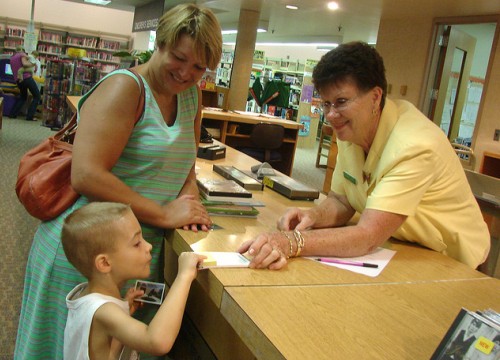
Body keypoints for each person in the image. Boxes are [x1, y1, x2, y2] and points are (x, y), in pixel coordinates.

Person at [15, 4, 222, 359]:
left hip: (135, 247)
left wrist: (189, 201)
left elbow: (186, 160)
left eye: (200, 67)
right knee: (62, 348)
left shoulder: (191, 94)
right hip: (87, 248)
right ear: (159, 43)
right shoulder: (126, 88)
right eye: (179, 57)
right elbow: (87, 174)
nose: (187, 72)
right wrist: (161, 213)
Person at [238, 41, 490, 270]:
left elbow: (367, 235)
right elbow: (342, 200)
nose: (331, 114)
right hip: (403, 246)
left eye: (341, 101)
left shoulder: (414, 145)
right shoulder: (351, 130)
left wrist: (291, 242)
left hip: (453, 261)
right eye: (326, 103)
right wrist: (314, 216)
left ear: (375, 97)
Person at [61, 202, 205, 359]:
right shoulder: (104, 311)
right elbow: (158, 342)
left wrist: (124, 309)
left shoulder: (86, 295)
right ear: (104, 263)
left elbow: (108, 353)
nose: (148, 246)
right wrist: (184, 275)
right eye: (137, 243)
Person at [9, 45, 42, 121]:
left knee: (23, 97)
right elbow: (25, 64)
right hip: (27, 78)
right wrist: (34, 64)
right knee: (37, 96)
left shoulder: (12, 58)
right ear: (22, 51)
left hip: (18, 80)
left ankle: (13, 114)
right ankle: (29, 116)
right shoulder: (22, 55)